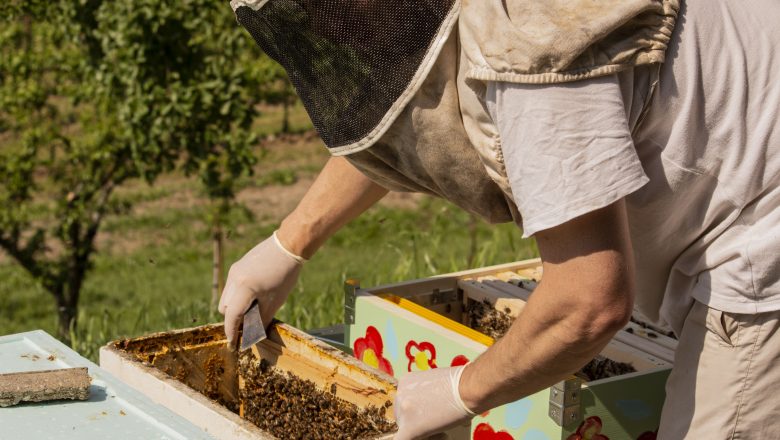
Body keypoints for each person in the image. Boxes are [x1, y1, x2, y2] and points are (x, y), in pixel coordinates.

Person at [220, 0, 780, 438]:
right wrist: (288, 244)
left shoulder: (530, 45)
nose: (335, 29)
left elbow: (589, 303)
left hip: (758, 250)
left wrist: (459, 390)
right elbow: (417, 112)